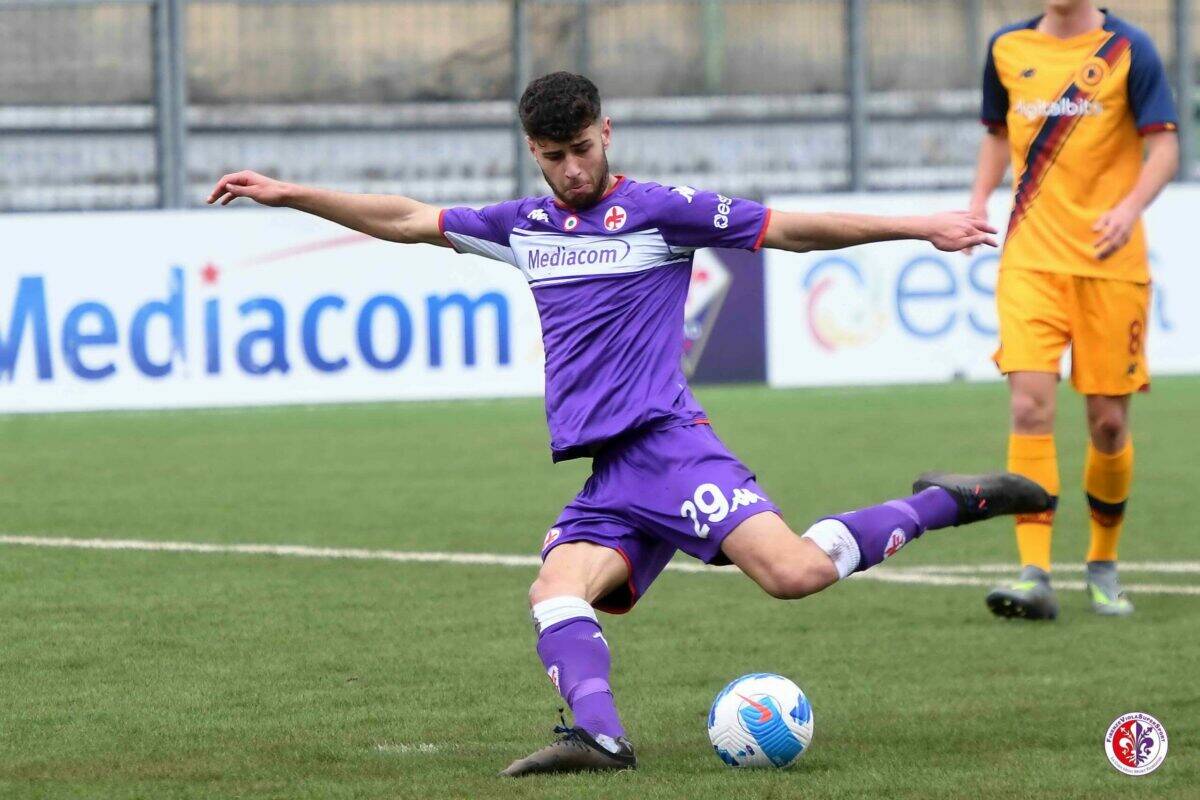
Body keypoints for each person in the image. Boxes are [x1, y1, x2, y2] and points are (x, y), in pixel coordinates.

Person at [209, 71, 1049, 775]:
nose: (572, 170)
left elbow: (789, 229)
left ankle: (948, 500)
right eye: (554, 156)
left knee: (792, 576)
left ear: (606, 131)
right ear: (532, 153)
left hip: (667, 446)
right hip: (612, 473)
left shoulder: (659, 211)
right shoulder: (524, 229)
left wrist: (920, 225)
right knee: (553, 590)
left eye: (583, 149)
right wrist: (290, 194)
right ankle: (601, 737)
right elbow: (406, 218)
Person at [967, 1, 1179, 620]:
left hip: (1110, 264)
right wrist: (978, 197)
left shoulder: (1129, 48)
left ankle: (1102, 565)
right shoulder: (1007, 49)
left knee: (1108, 423)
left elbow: (1163, 146)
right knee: (1030, 404)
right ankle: (1033, 573)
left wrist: (1130, 206)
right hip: (1030, 260)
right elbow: (998, 133)